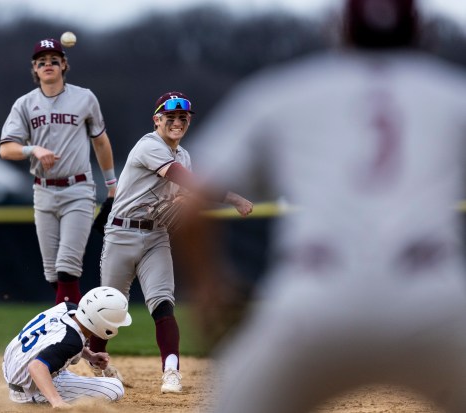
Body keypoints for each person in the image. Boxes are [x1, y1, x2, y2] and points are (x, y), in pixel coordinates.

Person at [182, 0, 466, 412]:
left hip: (314, 302)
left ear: (341, 31)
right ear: (423, 32)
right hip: (435, 301)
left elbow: (191, 204)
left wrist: (210, 286)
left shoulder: (284, 91)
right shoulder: (453, 93)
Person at [86, 91, 253, 393]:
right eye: (170, 117)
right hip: (121, 234)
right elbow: (184, 179)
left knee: (163, 304)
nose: (177, 122)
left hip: (156, 236)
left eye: (182, 118)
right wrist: (232, 197)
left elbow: (185, 190)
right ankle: (96, 364)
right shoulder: (149, 145)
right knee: (108, 308)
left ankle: (171, 372)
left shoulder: (184, 154)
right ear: (157, 120)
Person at [0, 37, 117, 305]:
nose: (48, 64)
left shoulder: (84, 98)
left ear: (64, 65)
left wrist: (111, 184)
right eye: (42, 62)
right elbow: (6, 149)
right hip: (43, 191)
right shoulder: (25, 104)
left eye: (54, 60)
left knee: (67, 267)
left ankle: (69, 339)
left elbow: (100, 141)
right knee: (52, 273)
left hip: (78, 189)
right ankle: (78, 329)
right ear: (35, 69)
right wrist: (33, 150)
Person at [2, 286, 132, 408]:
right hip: (29, 388)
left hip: (14, 365)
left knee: (53, 359)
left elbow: (58, 341)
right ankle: (43, 395)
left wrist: (90, 356)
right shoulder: (71, 342)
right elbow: (36, 367)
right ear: (104, 323)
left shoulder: (67, 308)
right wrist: (57, 402)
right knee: (115, 388)